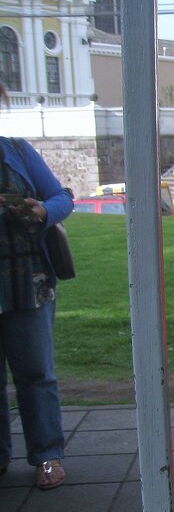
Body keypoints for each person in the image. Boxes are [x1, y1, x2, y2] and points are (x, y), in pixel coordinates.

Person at [0, 83, 74, 489]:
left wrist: (43, 209)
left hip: (26, 279)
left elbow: (64, 198)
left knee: (35, 373)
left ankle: (47, 455)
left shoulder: (17, 150)